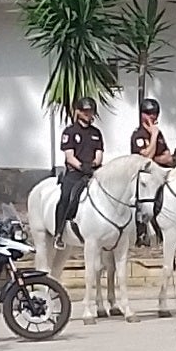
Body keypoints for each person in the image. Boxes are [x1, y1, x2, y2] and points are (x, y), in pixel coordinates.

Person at [55, 97, 104, 243]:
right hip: (75, 172)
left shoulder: (96, 132)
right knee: (66, 197)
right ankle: (59, 231)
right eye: (85, 111)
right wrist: (82, 167)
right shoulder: (69, 132)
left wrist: (94, 164)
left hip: (93, 171)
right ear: (78, 112)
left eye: (90, 111)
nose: (88, 114)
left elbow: (99, 154)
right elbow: (69, 156)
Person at [128, 98, 174, 167]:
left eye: (155, 113)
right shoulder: (138, 135)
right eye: (148, 113)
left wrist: (154, 158)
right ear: (142, 114)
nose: (152, 116)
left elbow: (168, 158)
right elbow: (146, 159)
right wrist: (154, 135)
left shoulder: (158, 133)